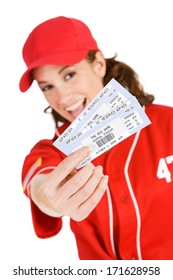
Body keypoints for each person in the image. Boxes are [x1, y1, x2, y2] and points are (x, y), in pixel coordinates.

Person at [19, 16, 173, 260]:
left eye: (69, 75)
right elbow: (39, 184)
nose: (63, 96)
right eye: (47, 87)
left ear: (99, 64)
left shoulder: (169, 124)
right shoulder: (51, 151)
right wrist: (52, 200)